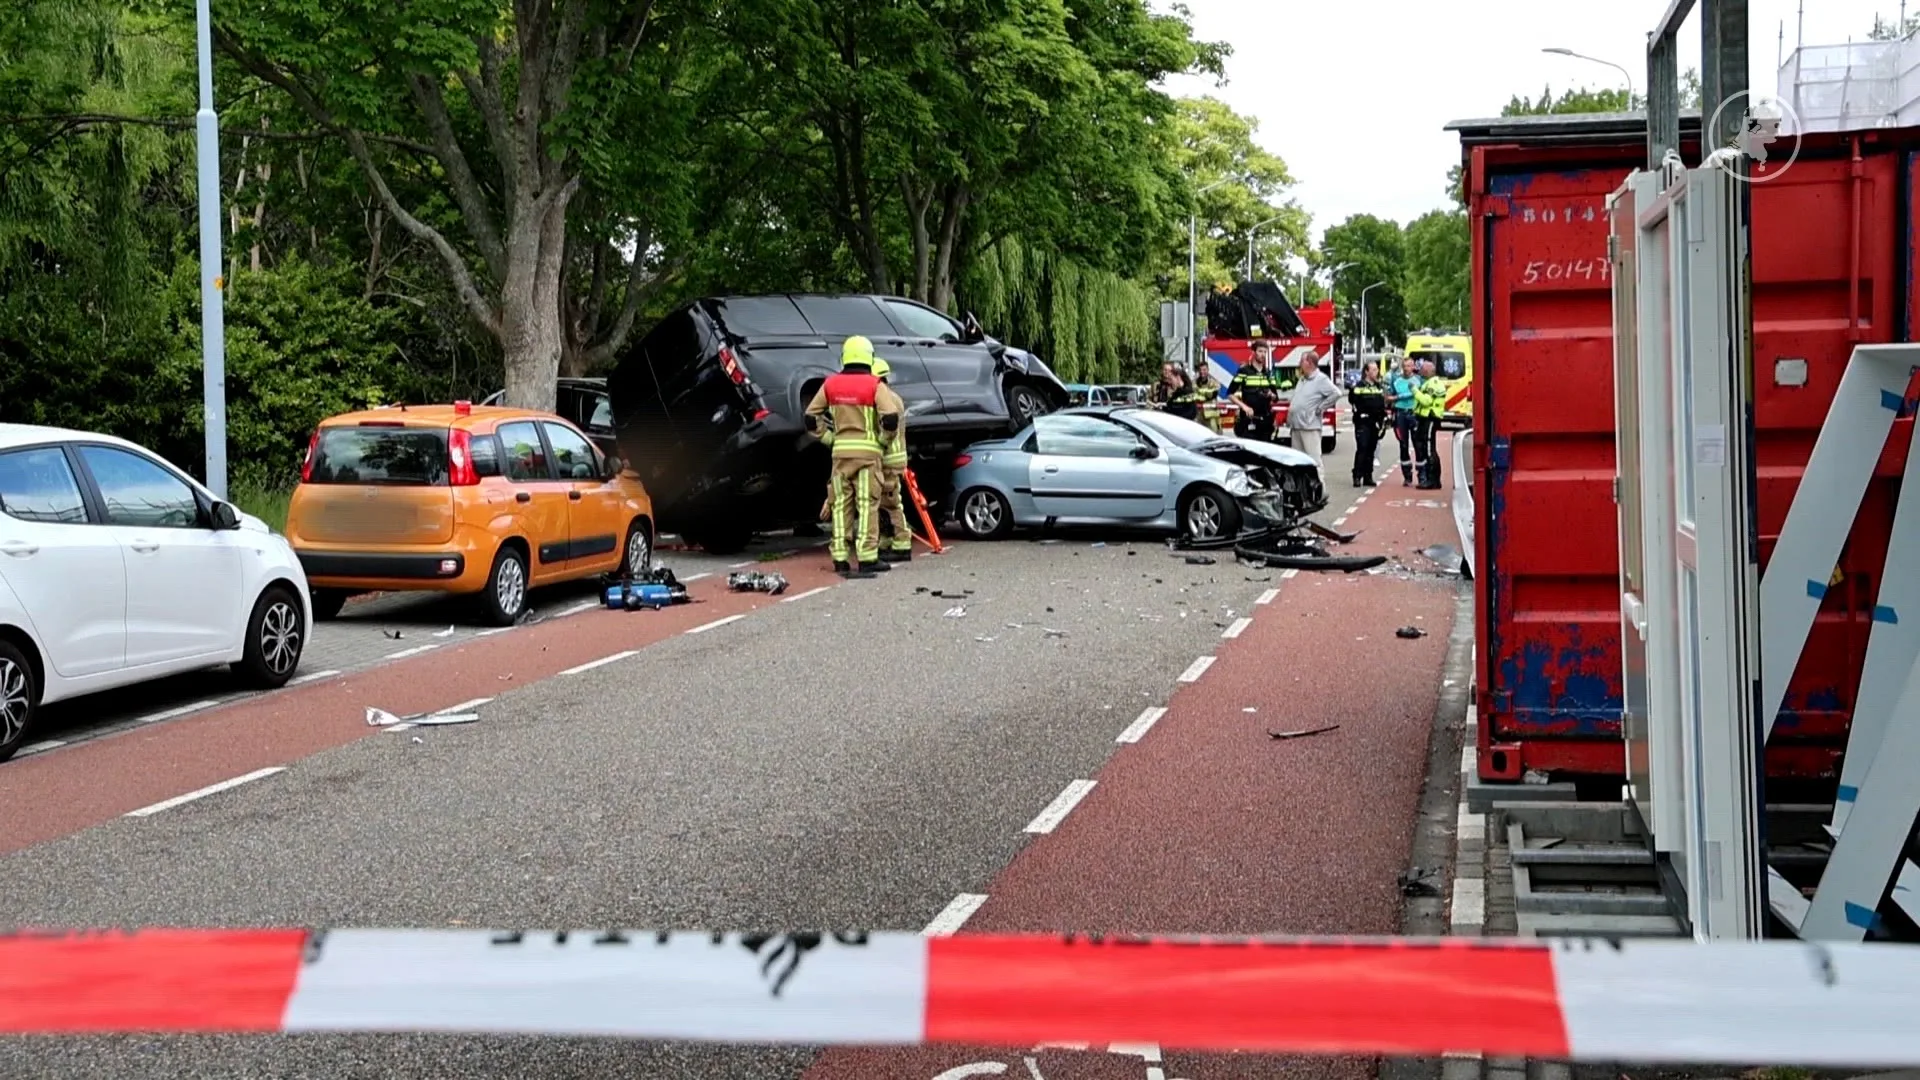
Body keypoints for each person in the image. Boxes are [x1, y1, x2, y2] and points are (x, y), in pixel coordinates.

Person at [804, 336, 904, 578]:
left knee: (840, 506)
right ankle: (868, 558)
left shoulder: (830, 384)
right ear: (868, 357)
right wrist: (882, 441)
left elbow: (810, 416)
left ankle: (840, 558)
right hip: (868, 456)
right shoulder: (875, 385)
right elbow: (890, 417)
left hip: (840, 456)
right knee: (867, 504)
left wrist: (829, 439)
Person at [869, 356, 914, 562]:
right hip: (895, 457)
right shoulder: (894, 396)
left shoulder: (884, 398)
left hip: (888, 458)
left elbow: (884, 429)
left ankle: (902, 543)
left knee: (891, 503)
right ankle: (887, 540)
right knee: (884, 504)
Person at [1284, 350, 1342, 474]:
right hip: (1296, 426)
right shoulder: (1302, 379)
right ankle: (1302, 489)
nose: (1299, 363)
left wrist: (1321, 407)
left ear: (1309, 363)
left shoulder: (1320, 379)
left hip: (1309, 426)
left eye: (1302, 361)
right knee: (1298, 460)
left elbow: (1336, 393)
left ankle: (1320, 488)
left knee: (1314, 459)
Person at [1228, 342, 1281, 443]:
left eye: (1265, 352)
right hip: (1249, 420)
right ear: (1253, 352)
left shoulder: (1269, 374)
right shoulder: (1244, 371)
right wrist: (1244, 407)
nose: (1263, 354)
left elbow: (1276, 398)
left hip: (1265, 421)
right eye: (1260, 351)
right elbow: (1230, 394)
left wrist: (1271, 394)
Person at [1348, 361, 1388, 487]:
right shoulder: (1358, 387)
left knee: (1371, 449)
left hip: (1375, 422)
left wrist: (1383, 419)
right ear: (1366, 371)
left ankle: (1368, 476)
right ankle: (1357, 476)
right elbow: (1354, 403)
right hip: (1363, 422)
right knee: (1362, 448)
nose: (1376, 372)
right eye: (1374, 370)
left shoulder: (1378, 386)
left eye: (1377, 369)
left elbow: (1382, 404)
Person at [1412, 358, 1450, 490]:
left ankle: (1433, 480)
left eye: (1422, 369)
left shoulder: (1432, 384)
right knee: (1427, 448)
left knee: (1429, 449)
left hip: (1430, 418)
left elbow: (1427, 401)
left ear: (1428, 371)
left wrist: (1415, 391)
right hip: (1426, 419)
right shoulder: (1430, 382)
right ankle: (1432, 479)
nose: (1420, 370)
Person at [1389, 355, 1423, 486]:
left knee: (1418, 445)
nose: (1407, 369)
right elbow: (1390, 394)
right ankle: (1407, 476)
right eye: (1405, 366)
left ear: (1413, 367)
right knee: (1403, 445)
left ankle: (1421, 475)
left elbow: (1414, 393)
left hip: (1413, 414)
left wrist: (1397, 397)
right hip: (1400, 414)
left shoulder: (1418, 379)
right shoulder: (1396, 380)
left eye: (1409, 366)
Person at [1193, 364, 1223, 433]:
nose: (1202, 372)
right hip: (1198, 414)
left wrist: (1202, 396)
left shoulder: (1213, 382)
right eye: (1200, 370)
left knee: (1214, 433)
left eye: (1204, 370)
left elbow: (1213, 394)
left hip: (1211, 414)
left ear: (1208, 370)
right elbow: (1193, 394)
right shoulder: (1194, 382)